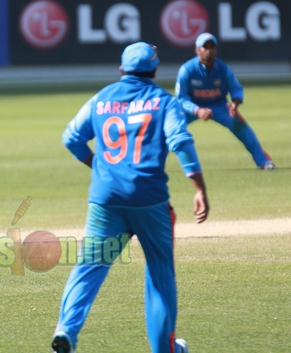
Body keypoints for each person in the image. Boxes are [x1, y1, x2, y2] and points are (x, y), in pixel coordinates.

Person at [52, 41, 208, 353]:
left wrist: (96, 163)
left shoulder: (101, 99)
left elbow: (71, 137)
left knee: (89, 266)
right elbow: (180, 140)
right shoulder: (164, 101)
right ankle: (165, 349)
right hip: (149, 201)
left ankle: (66, 331)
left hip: (105, 199)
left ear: (122, 69)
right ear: (154, 70)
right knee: (160, 274)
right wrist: (199, 188)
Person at [176, 33, 276, 170]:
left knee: (240, 126)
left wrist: (235, 102)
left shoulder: (224, 69)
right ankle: (149, 164)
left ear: (216, 50)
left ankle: (263, 161)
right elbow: (181, 98)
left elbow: (236, 88)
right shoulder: (187, 70)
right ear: (197, 50)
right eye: (205, 47)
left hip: (219, 105)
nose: (209, 50)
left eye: (212, 47)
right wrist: (197, 110)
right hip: (192, 106)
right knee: (170, 128)